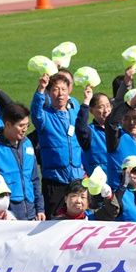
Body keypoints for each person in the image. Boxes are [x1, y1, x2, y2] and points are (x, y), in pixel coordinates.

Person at [31, 71, 84, 213]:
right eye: (55, 89)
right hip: (55, 181)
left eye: (63, 90)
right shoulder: (44, 116)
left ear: (69, 92)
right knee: (55, 221)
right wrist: (41, 89)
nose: (60, 94)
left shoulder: (74, 112)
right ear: (49, 93)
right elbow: (35, 111)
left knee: (77, 219)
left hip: (76, 179)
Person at [0, 103, 44, 220]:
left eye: (27, 125)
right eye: (21, 126)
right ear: (7, 125)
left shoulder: (27, 143)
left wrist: (40, 208)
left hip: (31, 212)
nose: (25, 129)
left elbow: (35, 179)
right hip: (8, 214)